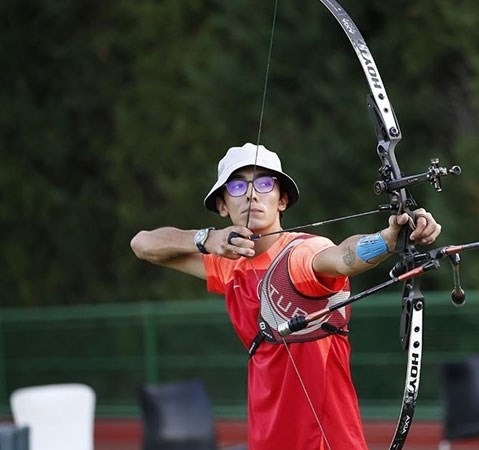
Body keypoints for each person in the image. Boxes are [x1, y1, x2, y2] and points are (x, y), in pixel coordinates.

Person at [130, 142, 442, 450]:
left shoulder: (301, 254)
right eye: (238, 186)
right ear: (222, 205)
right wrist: (205, 238)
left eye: (265, 184)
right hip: (267, 438)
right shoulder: (229, 265)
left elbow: (342, 255)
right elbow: (143, 245)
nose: (252, 193)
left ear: (282, 200)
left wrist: (386, 240)